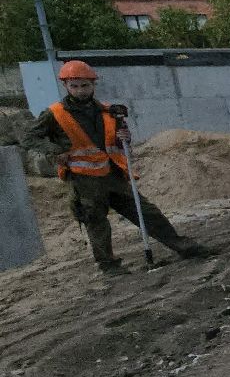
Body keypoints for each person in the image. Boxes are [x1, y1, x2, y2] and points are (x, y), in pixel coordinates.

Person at [22, 60, 215, 275]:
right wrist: (55, 150)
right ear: (65, 86)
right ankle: (109, 266)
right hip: (84, 180)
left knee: (147, 212)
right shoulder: (54, 114)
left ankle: (182, 246)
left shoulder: (108, 111)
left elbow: (116, 140)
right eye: (74, 86)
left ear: (93, 85)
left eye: (84, 85)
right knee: (96, 222)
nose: (80, 91)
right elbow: (29, 138)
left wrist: (125, 137)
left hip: (113, 175)